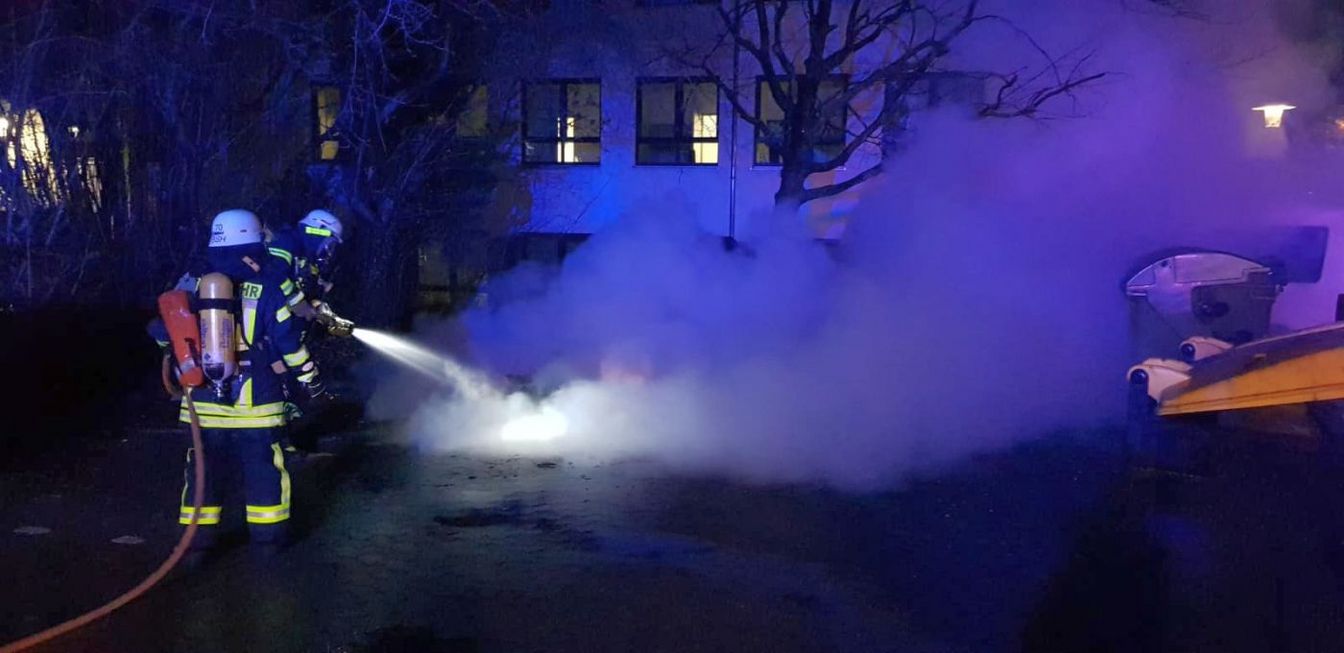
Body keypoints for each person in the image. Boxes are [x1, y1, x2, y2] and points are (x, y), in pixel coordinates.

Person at [151, 209, 322, 556]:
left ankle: (197, 541)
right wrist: (310, 378)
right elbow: (288, 342)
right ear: (254, 240)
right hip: (256, 404)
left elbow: (165, 332)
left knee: (203, 473)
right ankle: (267, 541)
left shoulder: (193, 280)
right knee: (263, 471)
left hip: (202, 402)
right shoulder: (270, 283)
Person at [266, 209, 353, 339]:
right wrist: (298, 303)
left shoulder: (307, 259)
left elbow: (310, 289)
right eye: (329, 244)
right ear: (317, 232)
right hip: (265, 320)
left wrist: (321, 310)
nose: (329, 251)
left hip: (280, 326)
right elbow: (273, 277)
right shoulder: (284, 243)